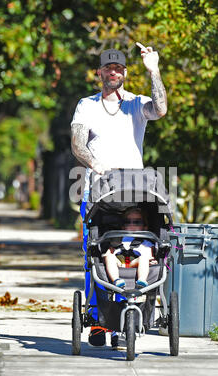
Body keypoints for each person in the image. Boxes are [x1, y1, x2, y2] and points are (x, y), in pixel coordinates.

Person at [71, 43, 167, 347]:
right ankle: (100, 320)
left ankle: (131, 317)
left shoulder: (136, 103)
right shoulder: (86, 105)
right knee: (95, 254)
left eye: (119, 68)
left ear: (125, 72)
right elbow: (77, 143)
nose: (114, 72)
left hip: (135, 193)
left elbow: (161, 109)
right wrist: (94, 163)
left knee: (142, 251)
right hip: (98, 192)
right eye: (108, 68)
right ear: (100, 73)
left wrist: (154, 70)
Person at [103, 207, 157, 289]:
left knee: (144, 258)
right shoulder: (118, 238)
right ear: (123, 227)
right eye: (128, 222)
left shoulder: (146, 242)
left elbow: (149, 256)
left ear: (145, 227)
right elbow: (110, 251)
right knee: (109, 257)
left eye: (137, 222)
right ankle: (116, 280)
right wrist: (107, 255)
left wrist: (151, 260)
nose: (132, 225)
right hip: (119, 262)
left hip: (135, 263)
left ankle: (142, 280)